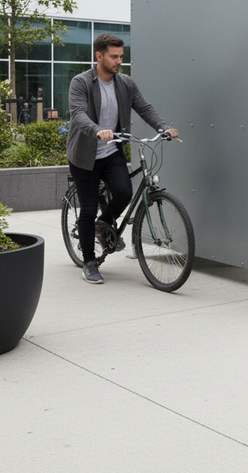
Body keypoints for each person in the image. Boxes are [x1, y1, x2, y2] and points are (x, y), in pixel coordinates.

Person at [66, 33, 178, 285]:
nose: (119, 61)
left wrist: (163, 127)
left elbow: (144, 107)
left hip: (112, 151)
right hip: (85, 156)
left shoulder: (125, 83)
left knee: (125, 192)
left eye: (121, 57)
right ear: (99, 56)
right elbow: (78, 114)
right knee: (87, 209)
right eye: (114, 56)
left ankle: (103, 223)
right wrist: (96, 130)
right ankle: (89, 262)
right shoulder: (81, 82)